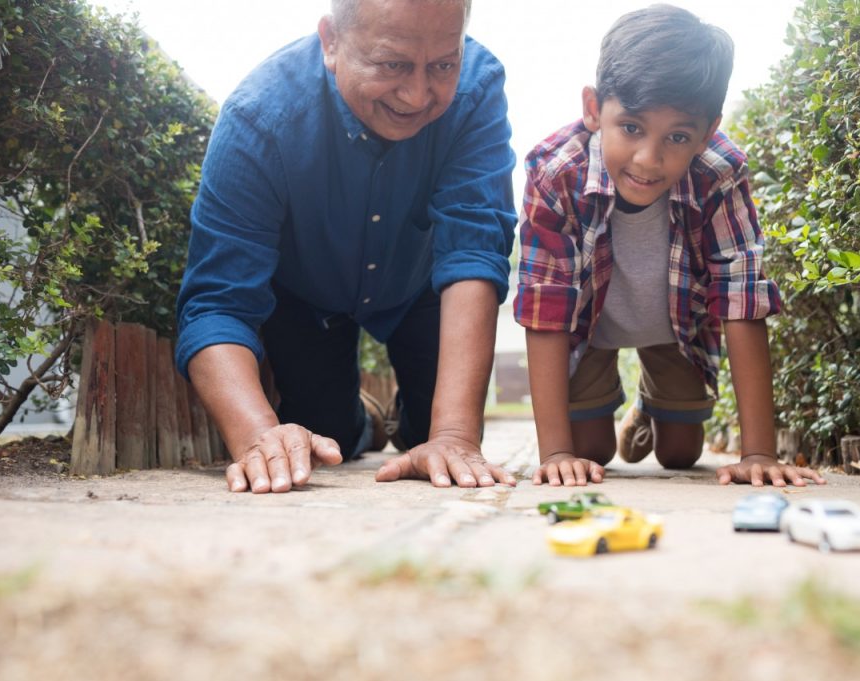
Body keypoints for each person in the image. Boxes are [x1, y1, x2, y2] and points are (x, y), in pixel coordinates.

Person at [176, 0, 518, 493]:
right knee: (330, 436)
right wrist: (257, 436)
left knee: (436, 442)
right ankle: (371, 421)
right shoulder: (258, 118)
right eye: (392, 64)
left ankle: (414, 424)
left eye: (443, 65)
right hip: (308, 295)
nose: (418, 93)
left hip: (423, 285)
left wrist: (454, 435)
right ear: (331, 42)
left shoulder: (478, 87)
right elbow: (216, 301)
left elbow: (475, 248)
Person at [513, 4, 826, 488]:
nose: (648, 159)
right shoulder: (555, 172)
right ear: (594, 109)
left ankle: (648, 406)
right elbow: (545, 301)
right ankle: (602, 414)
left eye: (677, 137)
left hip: (675, 323)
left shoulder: (721, 172)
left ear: (706, 134)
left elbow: (740, 291)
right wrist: (555, 452)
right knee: (589, 452)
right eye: (632, 128)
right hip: (588, 327)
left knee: (681, 454)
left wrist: (758, 452)